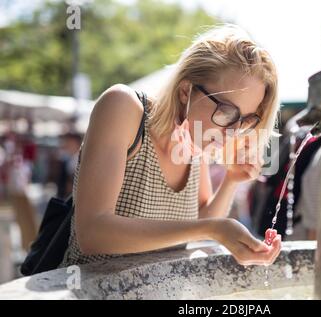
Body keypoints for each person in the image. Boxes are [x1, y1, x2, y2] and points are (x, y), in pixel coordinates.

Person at [60, 24, 282, 267]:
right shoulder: (123, 107)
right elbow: (93, 232)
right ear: (186, 90)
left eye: (245, 120)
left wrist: (231, 180)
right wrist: (213, 228)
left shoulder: (195, 140)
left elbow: (200, 223)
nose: (232, 133)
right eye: (227, 111)